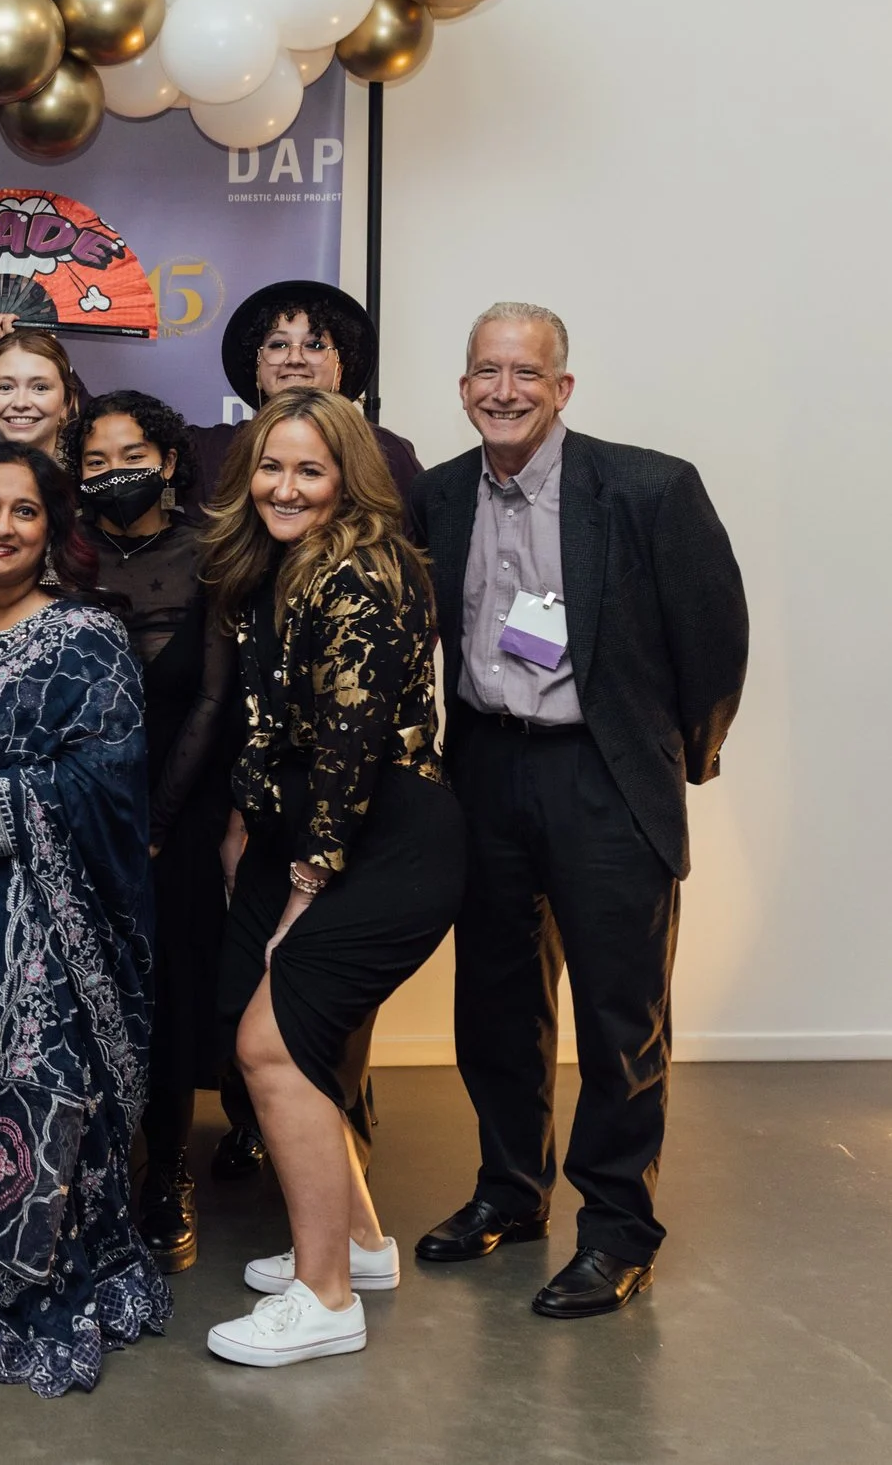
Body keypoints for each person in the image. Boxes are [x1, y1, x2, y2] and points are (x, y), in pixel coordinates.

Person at [407, 303, 747, 1319]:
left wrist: (677, 756)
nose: (501, 390)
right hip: (484, 771)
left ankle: (615, 1230)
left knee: (617, 1013)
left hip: (600, 773)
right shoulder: (436, 495)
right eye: (483, 371)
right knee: (497, 1006)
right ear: (463, 386)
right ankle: (509, 1193)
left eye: (524, 372)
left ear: (562, 387)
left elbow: (712, 636)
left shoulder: (646, 486)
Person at [0, 440, 167, 1397]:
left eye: (24, 511)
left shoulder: (86, 635)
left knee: (37, 1090)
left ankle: (41, 1293)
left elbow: (111, 784)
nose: (0, 527)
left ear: (54, 530)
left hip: (44, 922)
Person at [196, 388, 463, 1368]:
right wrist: (244, 833)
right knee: (269, 1040)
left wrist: (300, 895)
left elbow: (348, 752)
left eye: (309, 469)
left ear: (348, 476)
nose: (285, 485)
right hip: (301, 835)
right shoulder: (275, 564)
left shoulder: (359, 572)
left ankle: (325, 1294)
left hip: (381, 838)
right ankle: (357, 1241)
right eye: (270, 465)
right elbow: (270, 726)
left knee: (275, 1046)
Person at [64, 391, 237, 1274]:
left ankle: (166, 1173)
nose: (114, 472)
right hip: (71, 814)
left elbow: (214, 698)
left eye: (132, 453)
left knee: (168, 1000)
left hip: (178, 813)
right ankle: (81, 1168)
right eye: (94, 461)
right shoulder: (65, 553)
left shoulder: (211, 554)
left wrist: (158, 827)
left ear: (169, 460)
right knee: (74, 996)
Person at [185, 281, 423, 507]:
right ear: (257, 368)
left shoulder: (387, 452)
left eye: (315, 345)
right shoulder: (209, 450)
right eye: (278, 345)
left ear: (340, 369)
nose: (295, 359)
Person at [0, 324, 90, 467]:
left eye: (40, 388)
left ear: (66, 403)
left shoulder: (91, 481)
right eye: (5, 387)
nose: (21, 403)